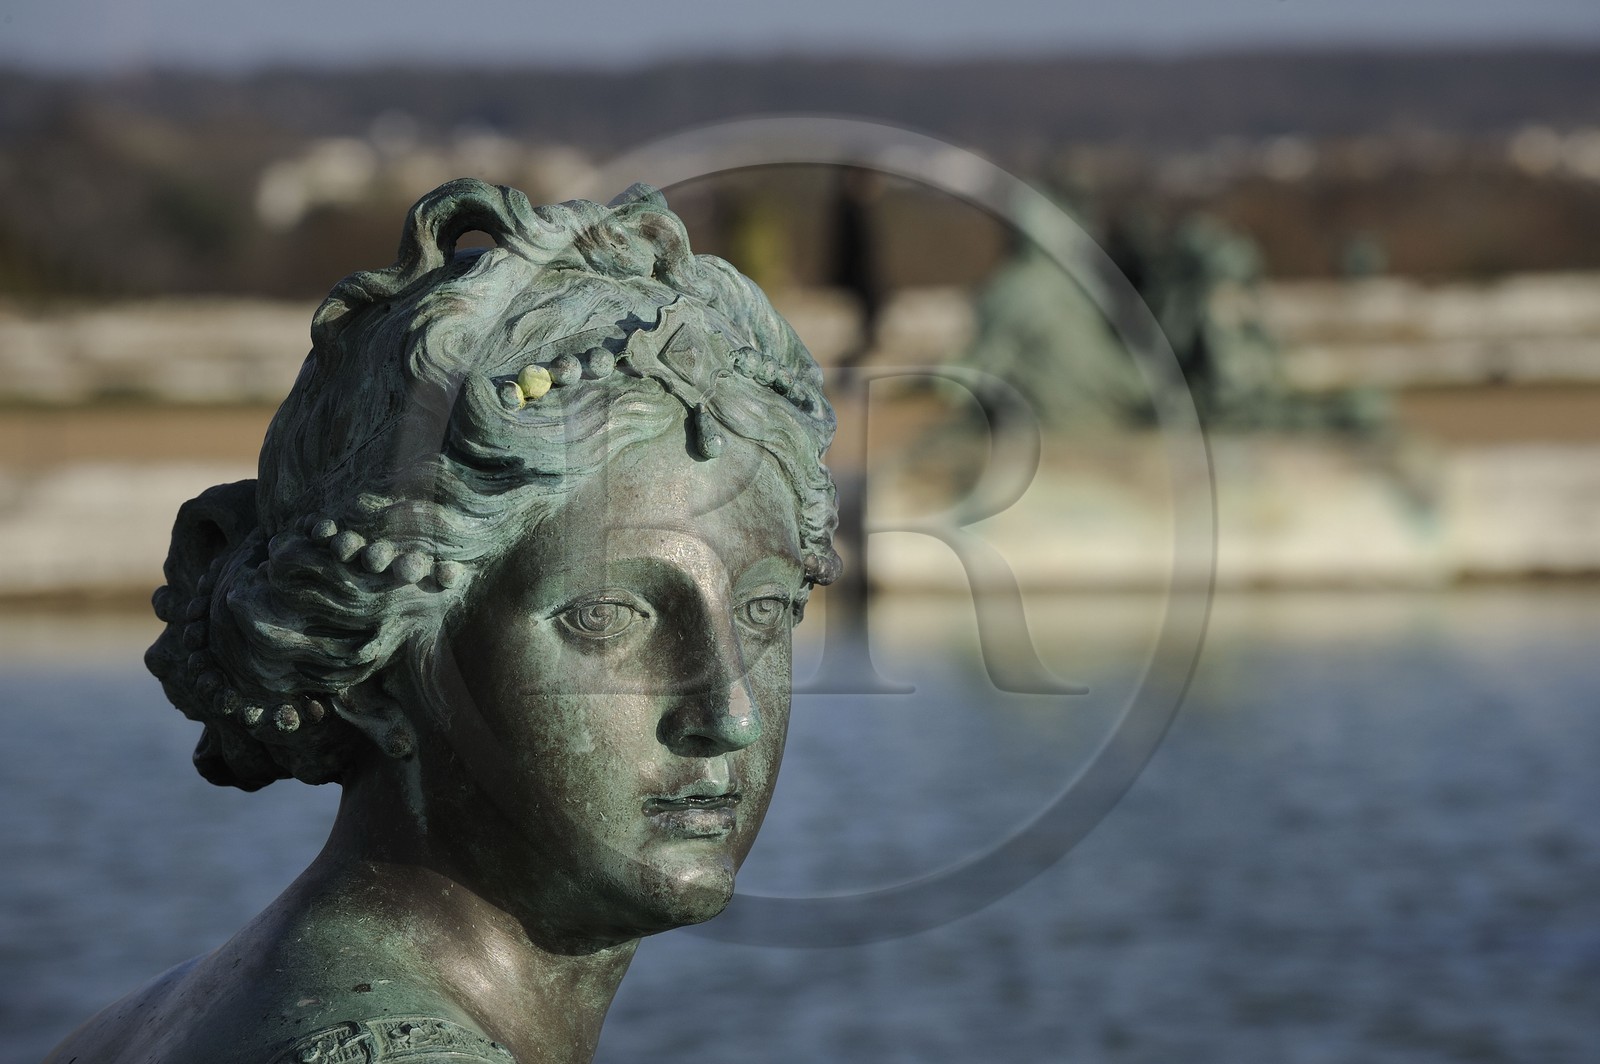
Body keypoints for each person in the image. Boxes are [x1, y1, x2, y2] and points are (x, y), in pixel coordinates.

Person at [44, 178, 839, 1064]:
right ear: (380, 669)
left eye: (767, 609)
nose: (728, 714)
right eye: (609, 616)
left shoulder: (137, 1024)